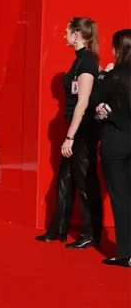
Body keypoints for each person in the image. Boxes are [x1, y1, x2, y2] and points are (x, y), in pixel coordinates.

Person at [37, 17, 103, 248]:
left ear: (76, 35)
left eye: (67, 32)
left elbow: (83, 102)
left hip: (82, 129)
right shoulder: (80, 61)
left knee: (84, 180)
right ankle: (58, 228)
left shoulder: (87, 62)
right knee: (65, 177)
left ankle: (89, 233)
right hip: (76, 126)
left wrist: (70, 137)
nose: (64, 36)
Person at [94, 29, 131, 267]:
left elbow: (93, 98)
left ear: (118, 49)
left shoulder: (112, 76)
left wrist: (103, 75)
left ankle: (125, 252)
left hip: (115, 141)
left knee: (120, 197)